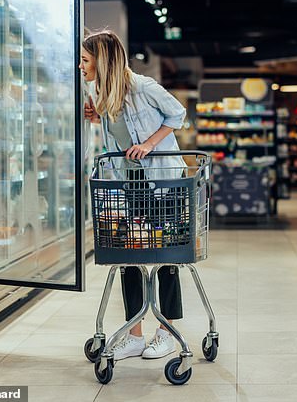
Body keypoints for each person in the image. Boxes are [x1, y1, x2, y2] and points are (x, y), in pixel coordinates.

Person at [80, 30, 187, 361]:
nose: (81, 66)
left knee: (166, 257)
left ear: (103, 61)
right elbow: (122, 130)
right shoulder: (102, 92)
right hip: (130, 185)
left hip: (164, 180)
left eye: (85, 60)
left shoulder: (143, 87)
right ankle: (136, 333)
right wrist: (99, 117)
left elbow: (178, 115)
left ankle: (167, 332)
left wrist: (150, 145)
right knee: (128, 257)